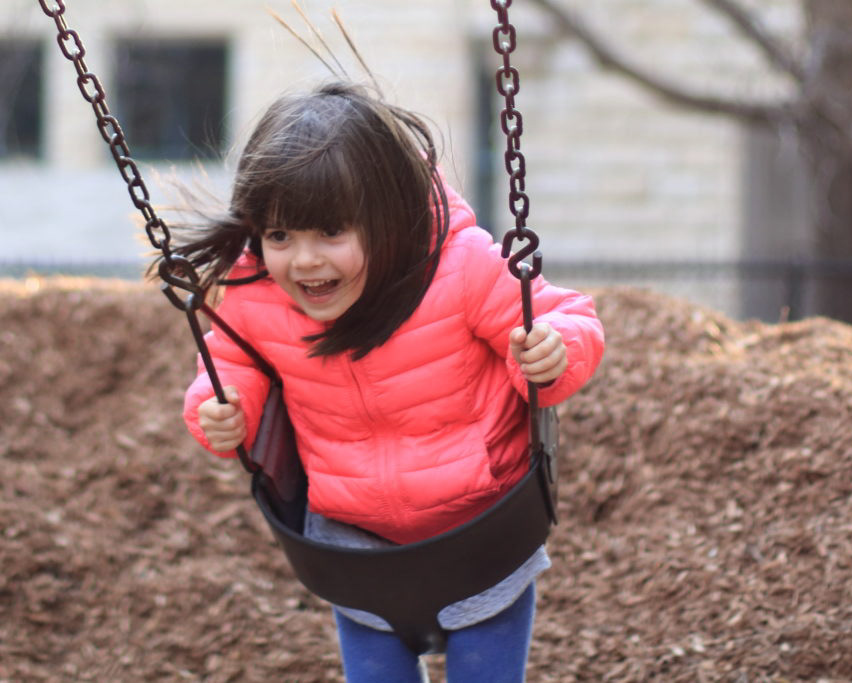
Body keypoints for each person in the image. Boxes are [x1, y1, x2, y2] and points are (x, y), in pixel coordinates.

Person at [174, 81, 604, 682]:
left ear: (388, 218)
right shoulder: (255, 298)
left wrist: (553, 350)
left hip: (484, 531)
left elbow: (565, 316)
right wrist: (221, 408)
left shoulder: (460, 269)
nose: (305, 260)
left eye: (331, 232)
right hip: (355, 544)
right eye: (279, 236)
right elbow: (228, 366)